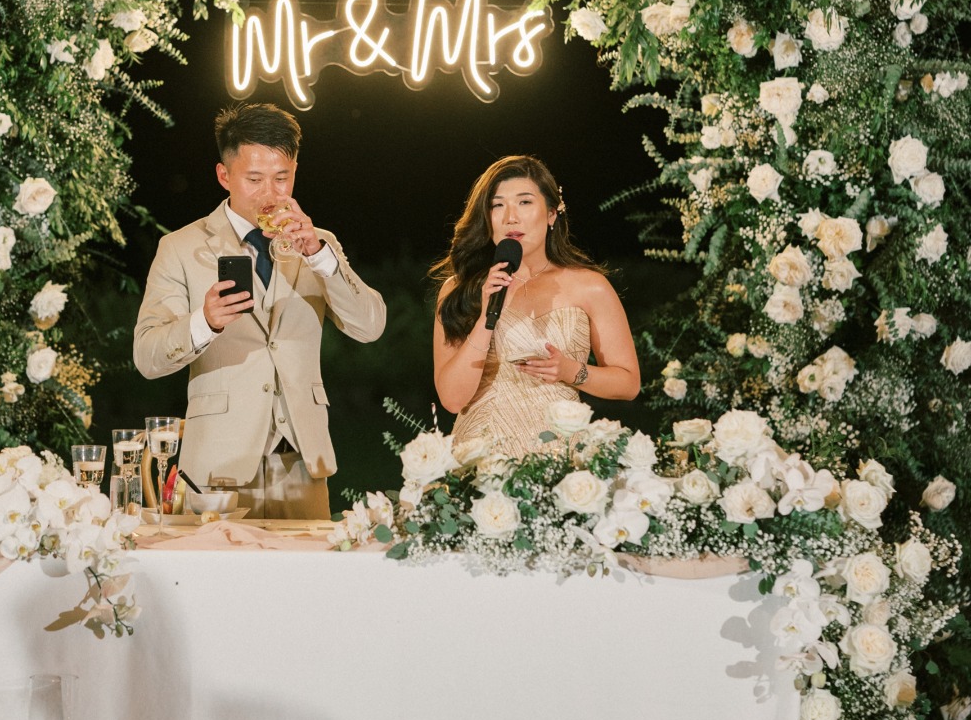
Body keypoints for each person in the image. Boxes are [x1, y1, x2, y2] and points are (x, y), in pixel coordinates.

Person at [133, 101, 386, 516]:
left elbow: (370, 326)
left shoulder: (318, 242)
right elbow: (147, 356)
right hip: (218, 468)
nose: (270, 194)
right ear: (224, 175)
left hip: (302, 465)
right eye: (254, 179)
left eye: (281, 178)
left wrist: (320, 257)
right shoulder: (180, 247)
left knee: (306, 580)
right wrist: (204, 322)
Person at [432, 154, 640, 463]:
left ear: (552, 214)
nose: (510, 217)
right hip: (481, 459)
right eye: (497, 205)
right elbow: (451, 399)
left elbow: (629, 383)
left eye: (525, 202)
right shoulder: (460, 289)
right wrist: (487, 318)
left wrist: (571, 371)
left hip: (560, 458)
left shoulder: (590, 286)